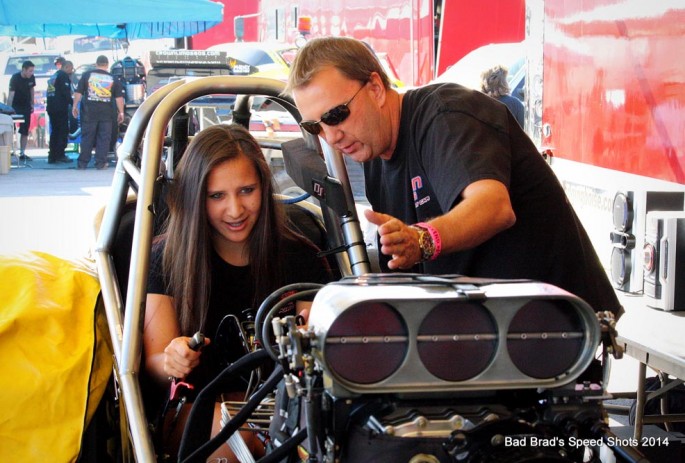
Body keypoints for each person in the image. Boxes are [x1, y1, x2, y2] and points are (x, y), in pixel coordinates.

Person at [285, 36, 622, 318]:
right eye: (316, 126)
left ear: (374, 87)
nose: (331, 137)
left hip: (556, 324)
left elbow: (493, 207)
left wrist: (421, 240)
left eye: (336, 115)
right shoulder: (375, 157)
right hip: (492, 327)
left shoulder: (445, 114)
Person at [144, 124, 333, 460]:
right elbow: (154, 361)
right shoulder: (165, 259)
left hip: (285, 404)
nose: (235, 210)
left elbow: (318, 354)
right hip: (196, 407)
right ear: (195, 197)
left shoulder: (300, 256)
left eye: (247, 190)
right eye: (217, 196)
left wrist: (309, 338)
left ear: (264, 186)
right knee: (243, 434)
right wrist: (172, 358)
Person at [72, 55, 124, 170]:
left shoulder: (87, 76)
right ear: (107, 65)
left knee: (87, 137)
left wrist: (75, 106)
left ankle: (82, 163)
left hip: (89, 112)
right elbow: (119, 98)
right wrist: (121, 112)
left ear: (96, 64)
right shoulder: (113, 78)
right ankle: (101, 163)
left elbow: (78, 92)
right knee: (104, 138)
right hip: (107, 114)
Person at [46, 60, 74, 164]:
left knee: (55, 132)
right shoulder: (63, 75)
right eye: (71, 69)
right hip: (60, 107)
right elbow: (66, 93)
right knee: (63, 131)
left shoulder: (54, 76)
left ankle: (52, 155)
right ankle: (60, 154)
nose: (71, 72)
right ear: (67, 67)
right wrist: (73, 103)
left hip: (51, 107)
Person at [7, 60, 35, 161]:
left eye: (32, 71)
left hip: (26, 106)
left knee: (25, 130)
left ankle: (22, 152)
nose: (31, 73)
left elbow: (32, 90)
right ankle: (9, 151)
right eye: (30, 71)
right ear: (24, 70)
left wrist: (32, 103)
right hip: (16, 106)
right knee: (11, 129)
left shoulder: (31, 77)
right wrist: (8, 109)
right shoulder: (15, 78)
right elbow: (11, 94)